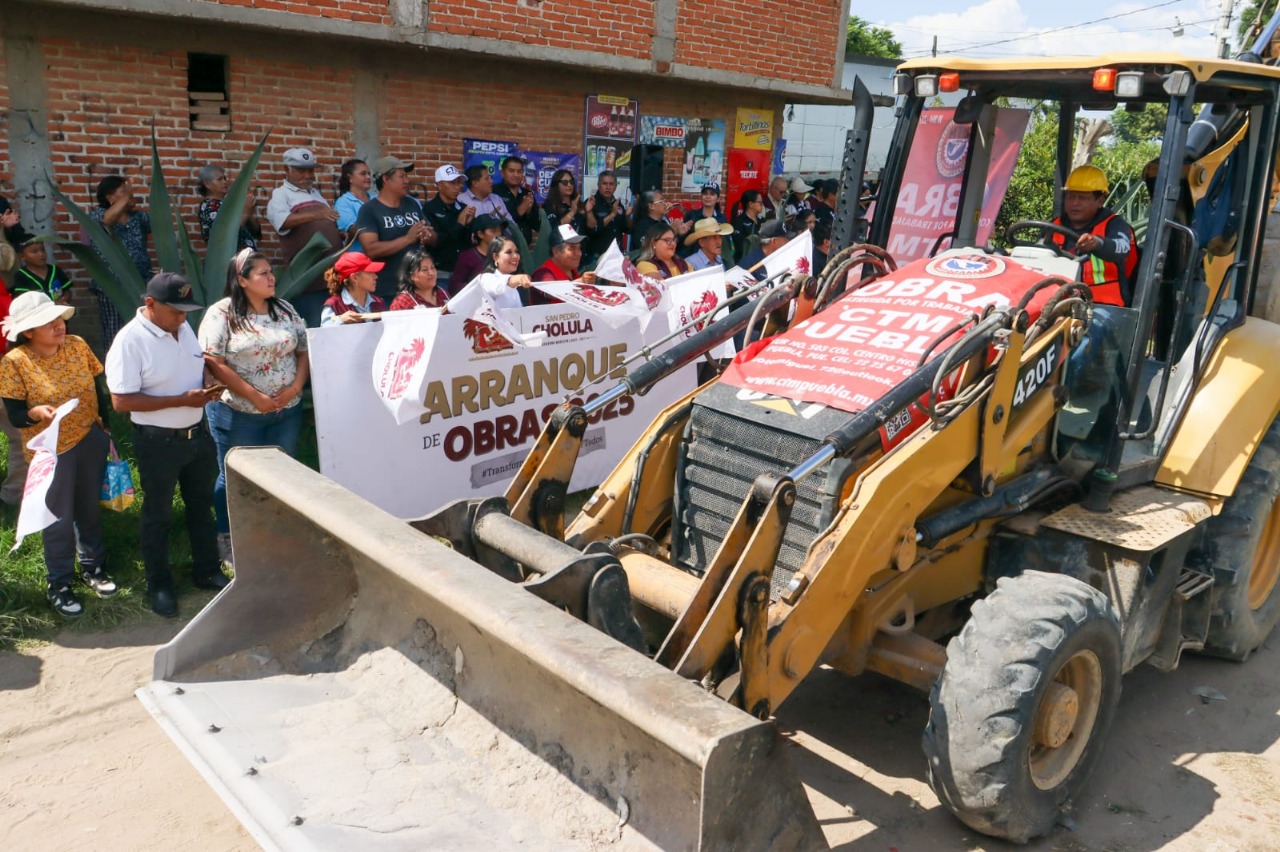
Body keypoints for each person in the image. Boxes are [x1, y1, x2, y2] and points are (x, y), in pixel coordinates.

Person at [105, 273, 227, 617]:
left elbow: (196, 362)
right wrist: (181, 400)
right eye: (175, 311)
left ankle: (206, 571)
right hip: (158, 442)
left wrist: (207, 381)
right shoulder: (130, 341)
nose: (182, 318)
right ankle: (159, 585)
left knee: (201, 507)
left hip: (197, 436)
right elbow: (121, 401)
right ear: (150, 304)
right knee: (157, 516)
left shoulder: (183, 327)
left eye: (187, 311)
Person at [0, 292, 116, 617]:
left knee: (89, 507)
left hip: (89, 437)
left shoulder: (78, 344)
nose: (57, 326)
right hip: (50, 451)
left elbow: (97, 386)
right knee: (58, 517)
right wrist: (35, 412)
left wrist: (104, 425)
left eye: (58, 319)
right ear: (28, 332)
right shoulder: (14, 363)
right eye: (46, 323)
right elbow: (14, 414)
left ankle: (93, 568)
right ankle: (60, 582)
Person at [199, 248, 310, 561]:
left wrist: (296, 387)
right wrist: (255, 397)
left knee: (282, 470)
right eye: (262, 273)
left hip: (286, 410)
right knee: (234, 474)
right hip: (239, 411)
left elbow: (303, 350)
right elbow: (214, 361)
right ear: (242, 280)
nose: (271, 277)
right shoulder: (221, 313)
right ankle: (229, 537)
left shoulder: (284, 309)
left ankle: (273, 532)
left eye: (271, 271)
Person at [265, 148, 342, 326]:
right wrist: (317, 215)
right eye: (301, 170)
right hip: (308, 281)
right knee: (314, 329)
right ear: (287, 170)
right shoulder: (280, 195)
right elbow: (282, 222)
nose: (308, 175)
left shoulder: (315, 194)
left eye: (311, 170)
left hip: (330, 279)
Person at [1051, 165, 1137, 306]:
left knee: (1093, 328)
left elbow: (1122, 248)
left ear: (1100, 201)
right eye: (1071, 196)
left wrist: (1097, 243)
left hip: (1103, 305)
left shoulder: (1114, 224)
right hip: (1060, 299)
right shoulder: (1055, 225)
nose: (1075, 203)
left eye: (1082, 198)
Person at [355, 156, 431, 302]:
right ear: (385, 179)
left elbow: (429, 233)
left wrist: (427, 234)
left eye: (406, 176)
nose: (406, 181)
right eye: (401, 176)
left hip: (417, 287)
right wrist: (407, 239)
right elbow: (371, 249)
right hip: (388, 290)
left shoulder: (412, 204)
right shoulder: (369, 210)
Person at [89, 175, 152, 348]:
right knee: (114, 331)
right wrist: (128, 195)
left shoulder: (139, 217)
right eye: (124, 192)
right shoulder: (97, 214)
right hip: (112, 285)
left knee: (142, 329)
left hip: (141, 282)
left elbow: (160, 226)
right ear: (110, 198)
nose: (131, 196)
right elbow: (107, 221)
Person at [421, 164, 476, 287]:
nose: (457, 187)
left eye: (459, 182)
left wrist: (469, 225)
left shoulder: (463, 208)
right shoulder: (429, 209)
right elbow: (436, 242)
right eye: (452, 183)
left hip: (464, 273)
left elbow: (470, 242)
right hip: (441, 273)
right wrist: (460, 224)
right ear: (439, 185)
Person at [196, 164, 260, 251]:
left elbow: (257, 232)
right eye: (219, 179)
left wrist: (250, 210)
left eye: (225, 178)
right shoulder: (208, 208)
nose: (225, 182)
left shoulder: (229, 203)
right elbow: (225, 236)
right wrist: (246, 212)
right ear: (207, 184)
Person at [530, 225, 597, 305]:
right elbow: (549, 292)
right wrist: (579, 283)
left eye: (579, 248)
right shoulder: (543, 273)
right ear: (556, 252)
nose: (578, 253)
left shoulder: (573, 272)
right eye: (572, 248)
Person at [321, 252, 387, 325]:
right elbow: (324, 334)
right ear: (354, 278)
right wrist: (341, 321)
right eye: (370, 272)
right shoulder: (334, 305)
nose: (375, 277)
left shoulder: (379, 303)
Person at [10, 227, 73, 303]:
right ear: (22, 256)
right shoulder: (21, 275)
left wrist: (65, 298)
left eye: (42, 250)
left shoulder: (55, 270)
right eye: (34, 251)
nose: (41, 254)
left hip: (59, 312)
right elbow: (23, 300)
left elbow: (67, 291)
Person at [471, 236, 533, 310]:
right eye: (509, 252)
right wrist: (517, 279)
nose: (515, 256)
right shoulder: (485, 278)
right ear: (495, 257)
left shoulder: (517, 284)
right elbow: (499, 285)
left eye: (517, 252)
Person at [451, 214, 505, 289]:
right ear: (480, 234)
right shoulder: (467, 257)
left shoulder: (505, 255)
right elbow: (455, 286)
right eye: (493, 231)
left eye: (499, 230)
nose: (498, 234)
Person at [583, 170, 627, 263]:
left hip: (616, 256)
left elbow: (626, 229)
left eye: (611, 184)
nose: (608, 187)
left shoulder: (618, 205)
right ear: (598, 185)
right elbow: (592, 230)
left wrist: (629, 215)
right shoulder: (591, 203)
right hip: (596, 257)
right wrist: (612, 214)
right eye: (604, 183)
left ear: (615, 186)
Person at [494, 156, 540, 244]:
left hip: (525, 248)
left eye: (519, 171)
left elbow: (537, 226)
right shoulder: (494, 192)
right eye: (511, 171)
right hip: (502, 247)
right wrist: (520, 210)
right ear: (502, 172)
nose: (516, 175)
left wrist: (529, 211)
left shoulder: (528, 193)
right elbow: (497, 222)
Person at [335, 158, 375, 235]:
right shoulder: (343, 202)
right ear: (350, 178)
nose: (368, 177)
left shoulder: (376, 198)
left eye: (369, 174)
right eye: (363, 174)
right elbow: (354, 230)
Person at [543, 169, 585, 234]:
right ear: (556, 185)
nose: (569, 185)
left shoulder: (578, 203)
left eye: (571, 182)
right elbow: (555, 228)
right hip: (561, 243)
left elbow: (590, 228)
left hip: (580, 242)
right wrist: (572, 212)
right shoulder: (550, 204)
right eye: (565, 182)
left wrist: (589, 212)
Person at [732, 189, 765, 262]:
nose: (762, 205)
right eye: (760, 202)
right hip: (744, 261)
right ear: (751, 204)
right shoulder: (739, 221)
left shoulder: (762, 220)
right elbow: (739, 246)